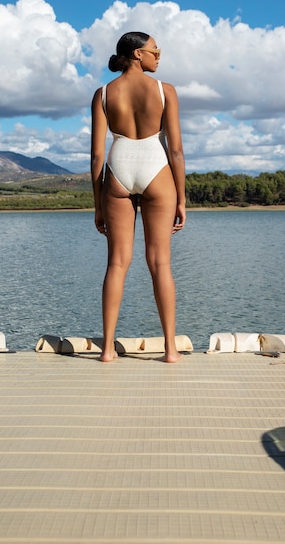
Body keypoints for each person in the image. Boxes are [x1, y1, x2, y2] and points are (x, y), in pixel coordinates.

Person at [91, 31, 186, 362]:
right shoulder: (165, 91)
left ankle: (106, 350)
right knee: (160, 263)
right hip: (156, 170)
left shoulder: (103, 94)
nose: (158, 55)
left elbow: (96, 157)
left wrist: (97, 203)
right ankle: (170, 350)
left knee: (116, 263)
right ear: (136, 54)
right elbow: (175, 150)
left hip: (117, 171)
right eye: (154, 50)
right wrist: (182, 199)